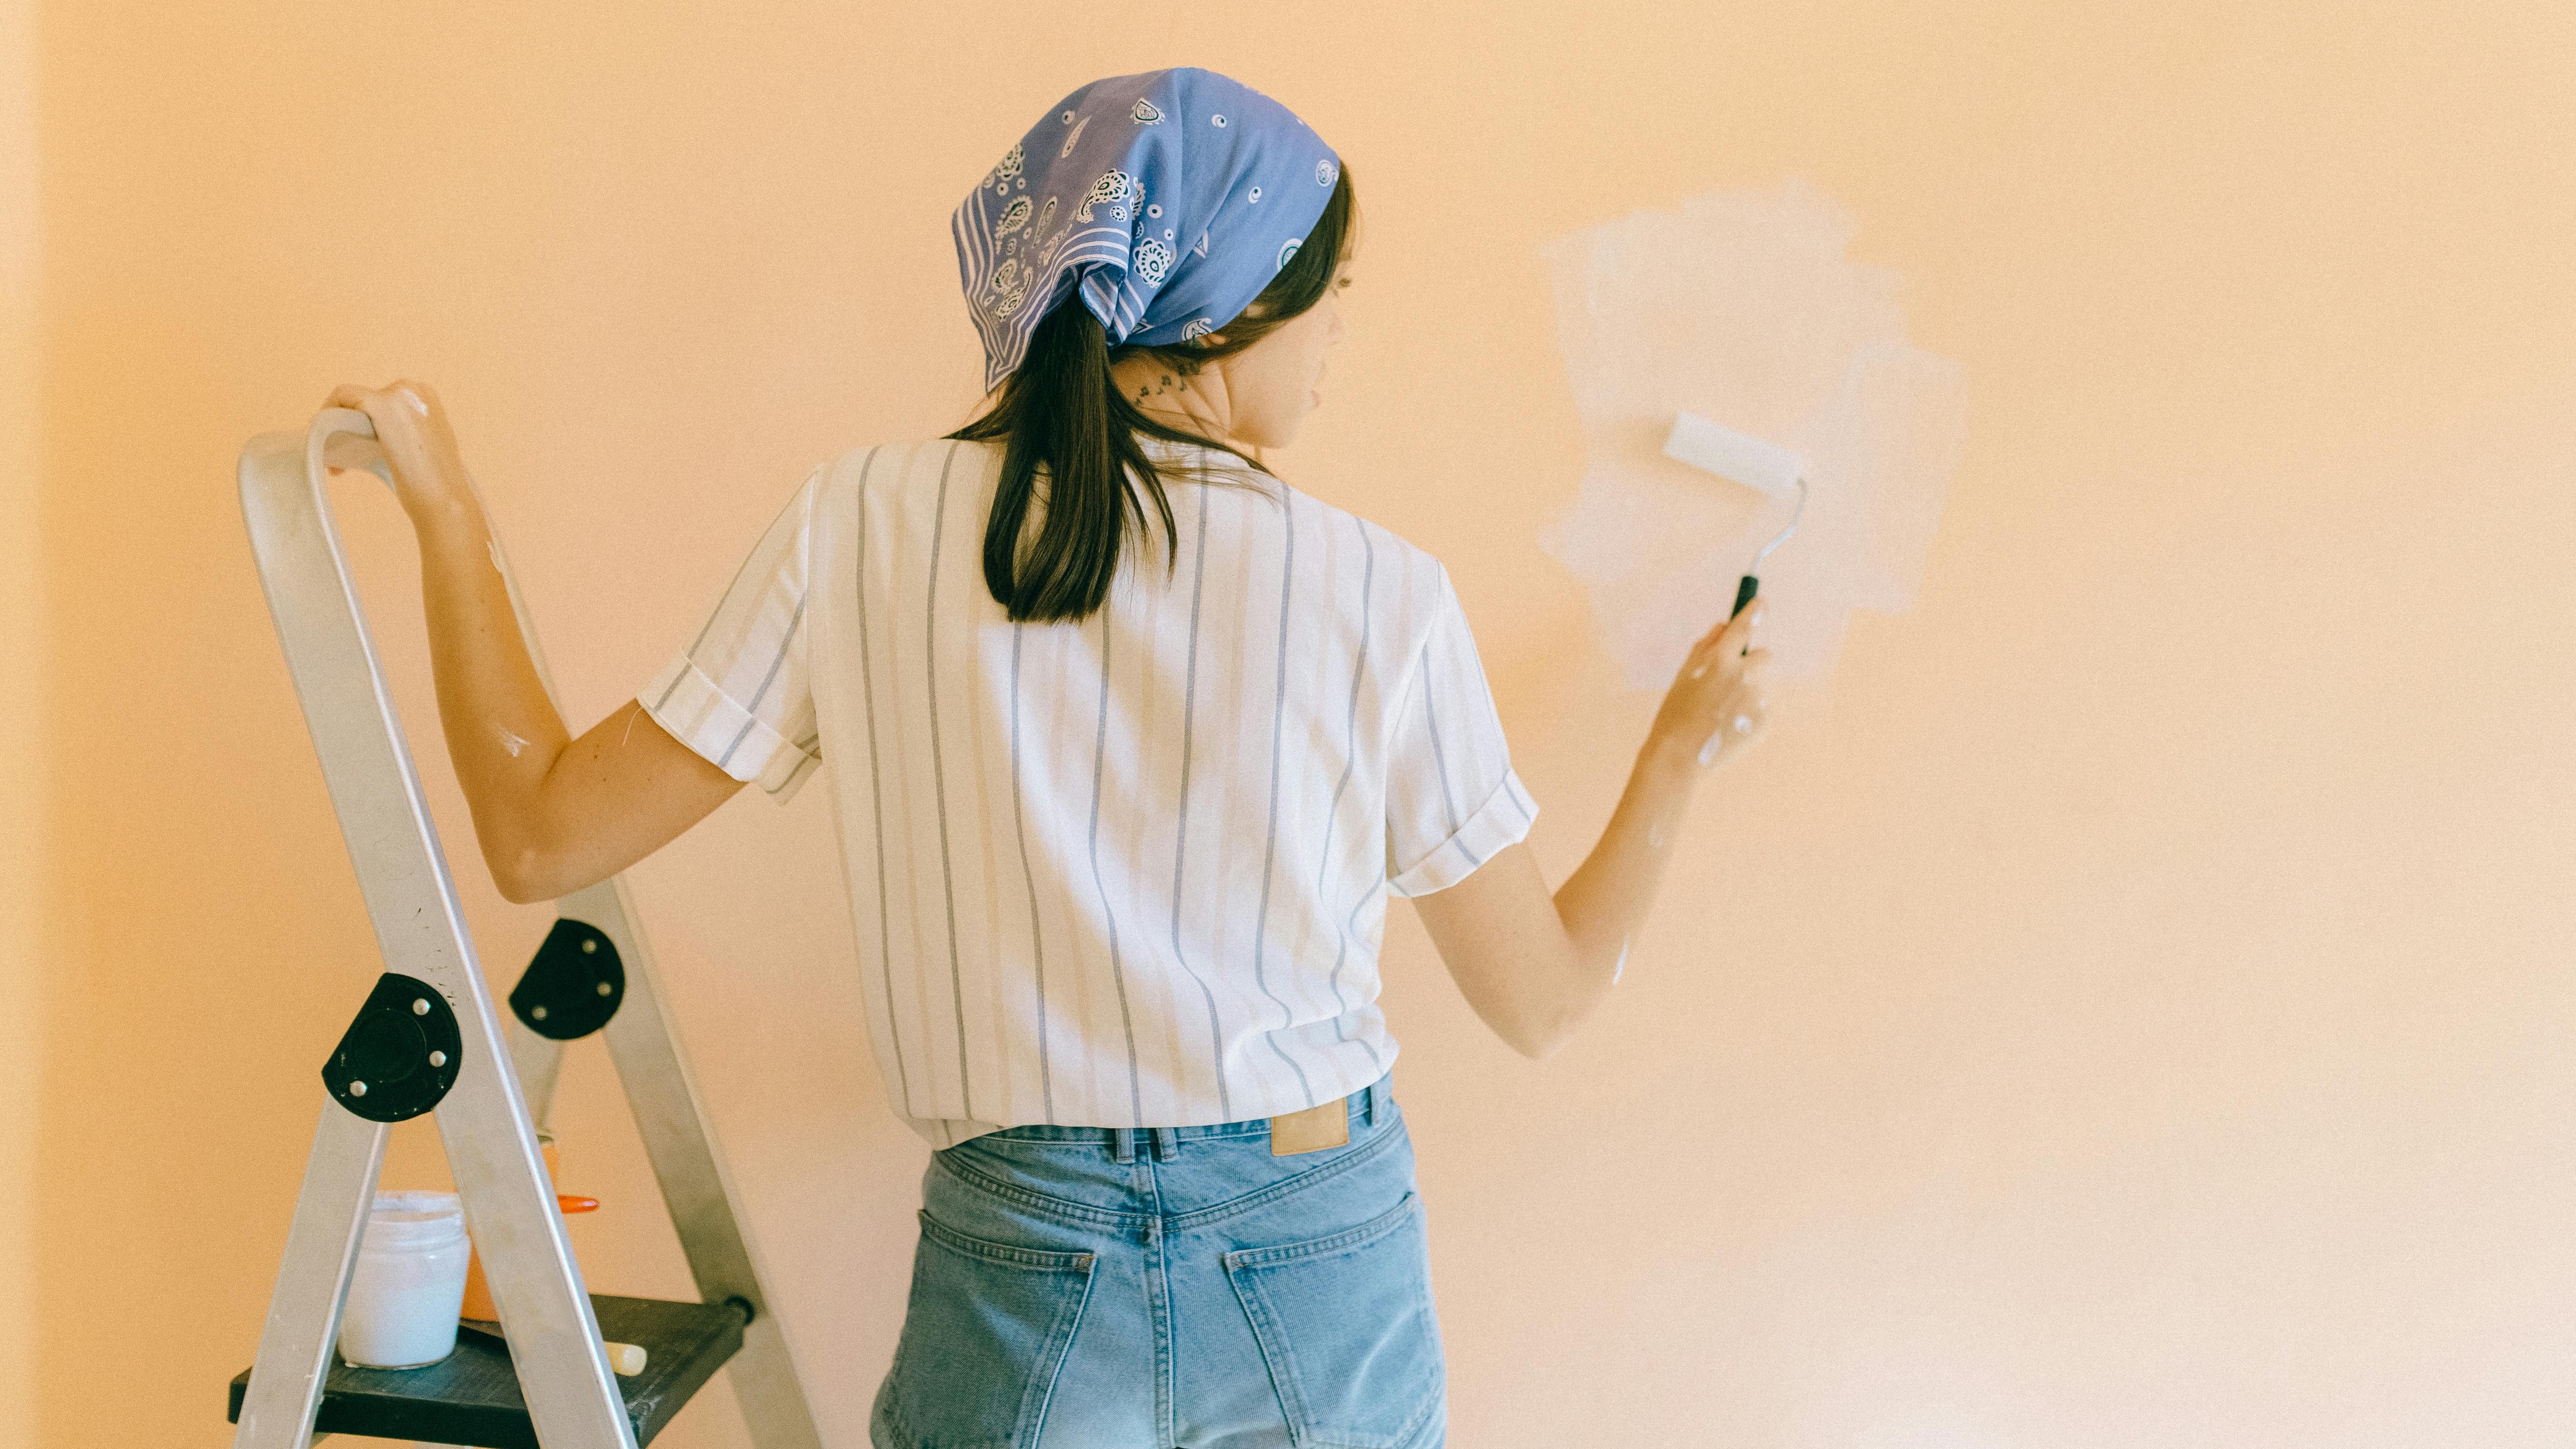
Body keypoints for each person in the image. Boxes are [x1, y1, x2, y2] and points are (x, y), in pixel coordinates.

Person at [328, 64, 1769, 1449]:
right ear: (1227, 305)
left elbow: (542, 833)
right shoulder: (1381, 593)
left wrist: (449, 518)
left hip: (1025, 1252)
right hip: (1317, 1248)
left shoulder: (863, 522)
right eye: (1328, 295)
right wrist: (1680, 752)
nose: (1339, 335)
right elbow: (1543, 1001)